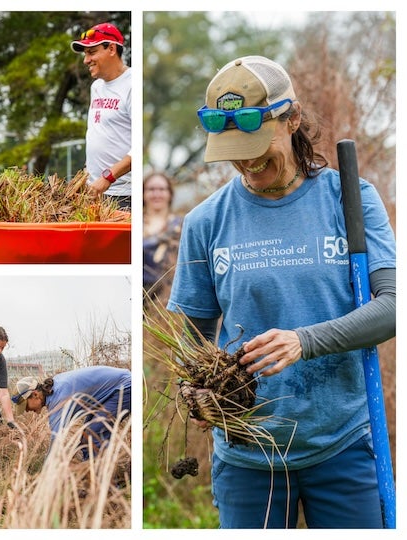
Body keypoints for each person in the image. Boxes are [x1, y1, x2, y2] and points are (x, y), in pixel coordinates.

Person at [166, 55, 395, 528]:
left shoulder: (348, 198)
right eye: (232, 147)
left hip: (342, 443)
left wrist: (303, 341)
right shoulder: (205, 222)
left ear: (291, 119)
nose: (246, 161)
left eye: (254, 142)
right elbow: (193, 335)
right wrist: (197, 387)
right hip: (249, 459)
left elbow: (393, 309)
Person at [71, 23, 131, 210]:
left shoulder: (132, 85)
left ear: (111, 48)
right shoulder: (96, 87)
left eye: (92, 52)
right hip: (95, 191)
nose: (86, 60)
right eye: (85, 54)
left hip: (124, 195)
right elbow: (99, 133)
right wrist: (86, 176)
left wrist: (108, 177)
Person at [12, 365, 131, 459]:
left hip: (124, 387)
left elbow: (56, 442)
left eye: (25, 406)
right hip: (110, 392)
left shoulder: (59, 398)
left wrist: (44, 477)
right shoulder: (55, 390)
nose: (27, 410)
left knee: (94, 435)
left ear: (35, 394)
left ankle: (105, 485)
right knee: (87, 438)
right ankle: (89, 478)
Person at [143, 171, 183, 302]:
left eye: (161, 189)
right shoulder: (133, 223)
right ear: (143, 193)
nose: (156, 194)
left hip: (167, 296)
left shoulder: (181, 225)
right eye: (151, 189)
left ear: (170, 194)